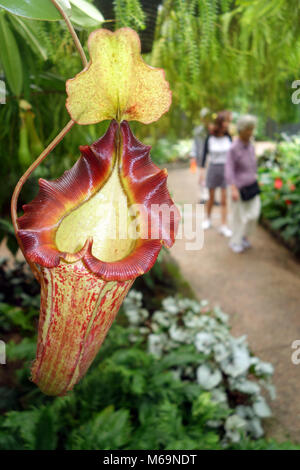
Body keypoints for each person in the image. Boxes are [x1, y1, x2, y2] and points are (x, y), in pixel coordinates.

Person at [225, 114, 260, 253]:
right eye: (248, 129)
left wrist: (256, 177)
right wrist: (233, 188)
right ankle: (235, 241)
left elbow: (253, 164)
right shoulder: (233, 148)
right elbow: (229, 169)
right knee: (238, 217)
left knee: (254, 214)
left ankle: (244, 236)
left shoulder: (250, 145)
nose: (251, 132)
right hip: (238, 188)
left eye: (252, 129)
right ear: (241, 129)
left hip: (252, 186)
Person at [200, 111, 232, 237]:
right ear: (220, 123)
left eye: (228, 122)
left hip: (226, 169)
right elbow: (204, 155)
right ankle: (207, 219)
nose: (227, 124)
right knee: (211, 198)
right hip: (213, 169)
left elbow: (232, 156)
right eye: (226, 121)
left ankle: (224, 225)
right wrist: (201, 173)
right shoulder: (210, 137)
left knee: (224, 199)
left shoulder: (228, 137)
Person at [190, 108, 212, 203]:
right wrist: (193, 155)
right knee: (202, 177)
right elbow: (194, 144)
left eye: (208, 118)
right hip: (201, 157)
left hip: (211, 157)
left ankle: (211, 196)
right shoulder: (198, 131)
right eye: (205, 118)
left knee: (211, 177)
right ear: (202, 119)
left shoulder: (214, 130)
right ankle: (204, 196)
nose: (207, 120)